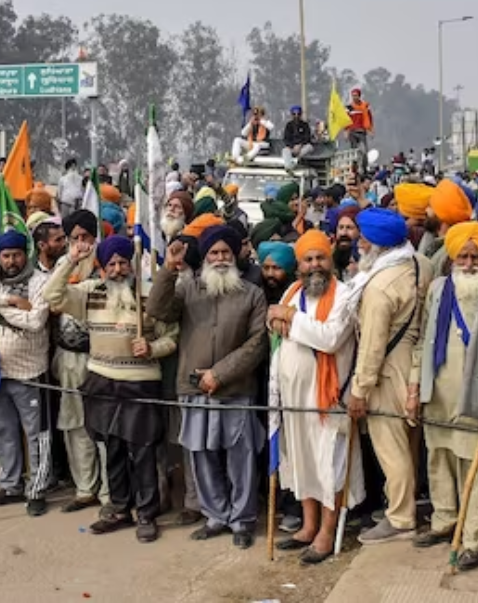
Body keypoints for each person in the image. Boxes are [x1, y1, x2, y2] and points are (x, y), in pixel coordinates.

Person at [44, 234, 178, 543]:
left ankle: (146, 514)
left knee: (143, 452)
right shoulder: (90, 292)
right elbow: (53, 296)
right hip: (101, 381)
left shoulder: (149, 294)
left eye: (122, 262)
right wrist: (72, 260)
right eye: (111, 264)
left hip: (140, 383)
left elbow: (172, 336)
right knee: (113, 449)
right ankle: (119, 509)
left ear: (131, 263)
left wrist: (153, 347)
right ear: (102, 268)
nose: (118, 269)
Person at [150, 225, 268, 549]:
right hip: (194, 389)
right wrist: (167, 270)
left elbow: (257, 344)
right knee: (201, 456)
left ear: (234, 256)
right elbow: (158, 311)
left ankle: (242, 521)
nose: (219, 258)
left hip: (236, 389)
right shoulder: (189, 289)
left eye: (225, 253)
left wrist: (219, 373)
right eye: (213, 253)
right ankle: (215, 516)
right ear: (205, 257)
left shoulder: (252, 294)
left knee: (240, 458)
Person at [413, 222, 478, 569]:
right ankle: (444, 519)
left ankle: (473, 538)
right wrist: (414, 386)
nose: (468, 264)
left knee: (474, 465)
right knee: (437, 457)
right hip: (437, 388)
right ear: (451, 258)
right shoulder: (439, 288)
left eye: (474, 257)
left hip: (476, 392)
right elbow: (423, 338)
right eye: (462, 257)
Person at [268, 228, 363, 564]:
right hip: (293, 398)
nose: (315, 265)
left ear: (330, 259)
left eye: (320, 257)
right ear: (299, 267)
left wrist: (291, 319)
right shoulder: (292, 292)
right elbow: (272, 322)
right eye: (308, 260)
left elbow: (329, 338)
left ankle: (327, 529)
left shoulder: (344, 295)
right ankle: (308, 526)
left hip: (328, 397)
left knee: (330, 465)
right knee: (303, 460)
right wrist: (283, 317)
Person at [348, 208, 434, 545]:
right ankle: (403, 506)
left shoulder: (379, 287)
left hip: (387, 369)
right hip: (415, 364)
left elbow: (371, 346)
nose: (359, 243)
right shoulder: (420, 263)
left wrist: (359, 390)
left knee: (390, 446)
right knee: (408, 443)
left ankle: (400, 518)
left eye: (363, 238)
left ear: (375, 244)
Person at [0, 230, 53, 517]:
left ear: (25, 253)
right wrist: (10, 302)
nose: (11, 261)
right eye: (5, 256)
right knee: (1, 430)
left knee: (36, 433)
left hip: (29, 370)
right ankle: (11, 484)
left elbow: (35, 321)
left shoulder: (39, 281)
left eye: (16, 254)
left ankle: (37, 488)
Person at [49, 211, 110, 513]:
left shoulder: (109, 266)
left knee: (104, 426)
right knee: (75, 424)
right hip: (70, 358)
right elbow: (51, 298)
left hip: (103, 356)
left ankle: (110, 493)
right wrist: (69, 262)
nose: (82, 245)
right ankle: (85, 488)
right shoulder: (64, 266)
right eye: (75, 239)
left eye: (87, 238)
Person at [347, 88, 374, 153]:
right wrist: (346, 131)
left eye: (355, 95)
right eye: (353, 96)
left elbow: (369, 119)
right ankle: (355, 162)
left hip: (362, 131)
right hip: (352, 131)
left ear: (359, 96)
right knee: (354, 150)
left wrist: (370, 130)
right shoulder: (349, 107)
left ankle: (364, 161)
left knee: (364, 149)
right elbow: (347, 120)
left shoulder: (365, 106)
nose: (354, 97)